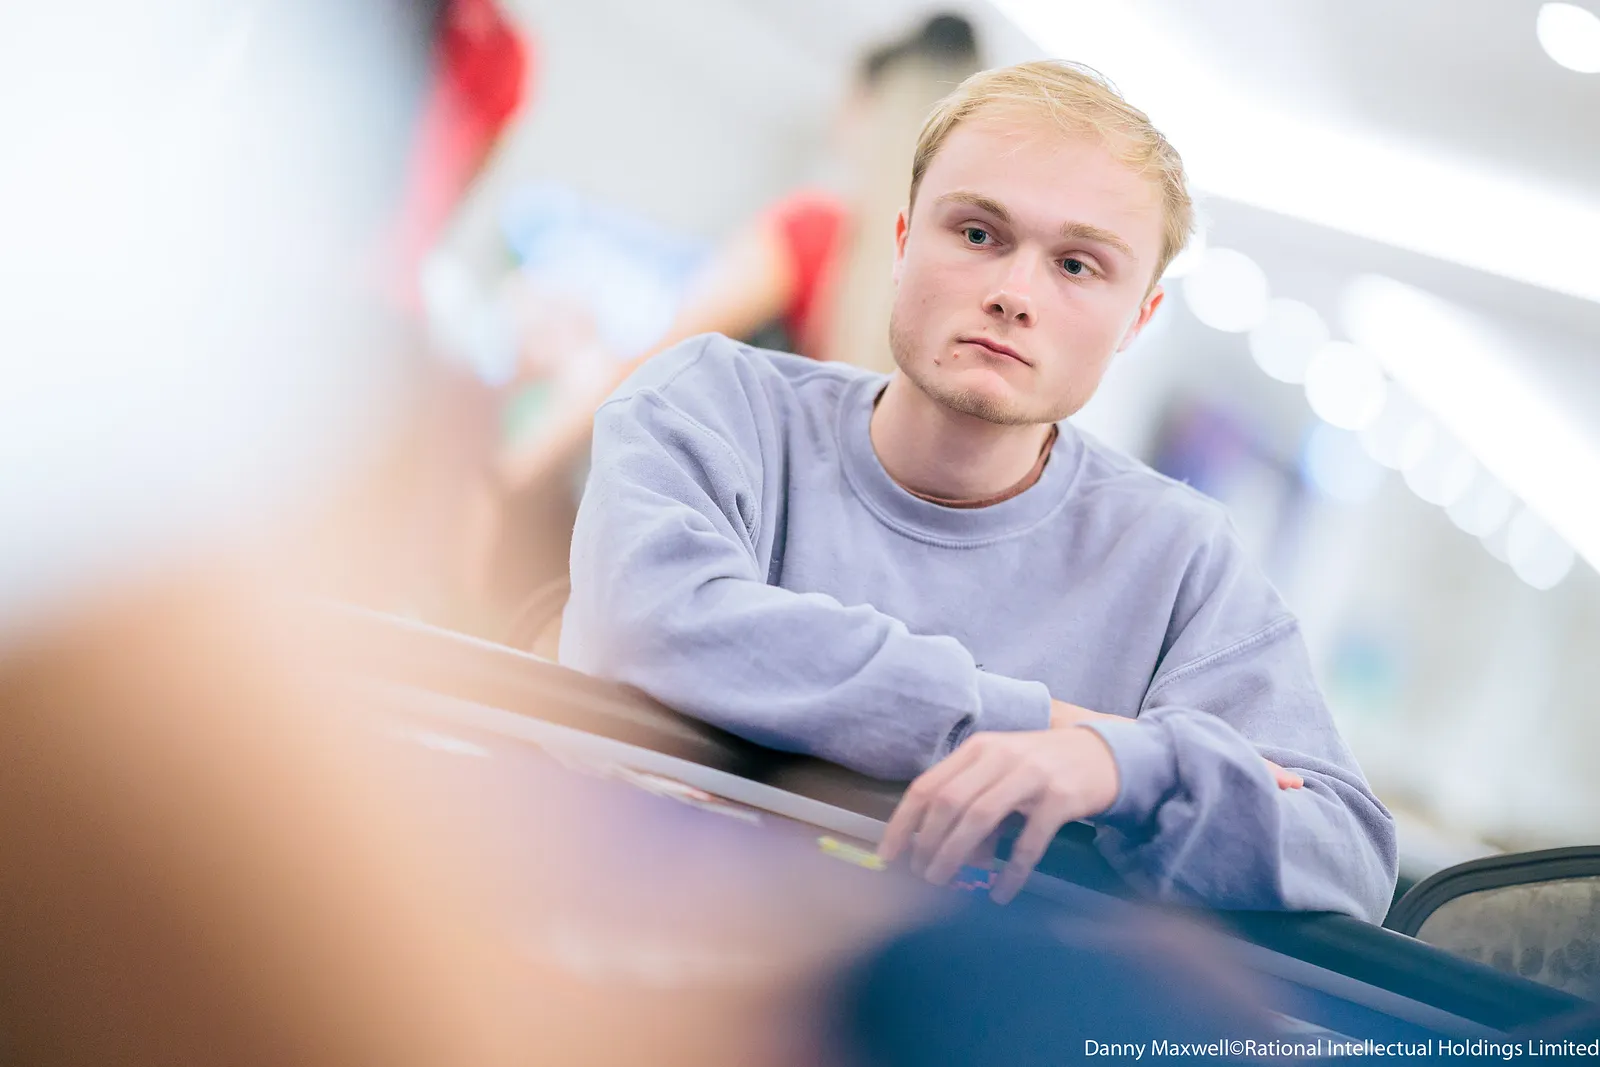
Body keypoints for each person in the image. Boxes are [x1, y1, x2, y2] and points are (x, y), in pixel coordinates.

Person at [559, 60, 1398, 921]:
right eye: (976, 234)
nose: (1012, 295)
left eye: (1077, 265)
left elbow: (1347, 853)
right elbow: (652, 621)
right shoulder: (711, 405)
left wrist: (1124, 765)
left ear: (1137, 322)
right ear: (901, 244)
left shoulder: (1180, 559)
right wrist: (1044, 726)